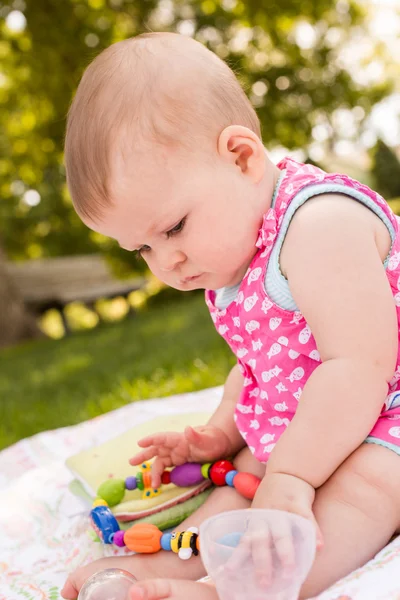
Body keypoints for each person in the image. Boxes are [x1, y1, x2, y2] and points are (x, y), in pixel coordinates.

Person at [61, 31, 400, 600]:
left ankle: (239, 591)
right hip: (323, 414)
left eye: (172, 229)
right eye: (142, 249)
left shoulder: (319, 225)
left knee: (366, 485)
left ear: (240, 157)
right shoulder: (230, 256)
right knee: (245, 475)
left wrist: (292, 477)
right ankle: (186, 564)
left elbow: (358, 365)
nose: (166, 262)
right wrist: (218, 434)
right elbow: (260, 366)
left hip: (386, 403)